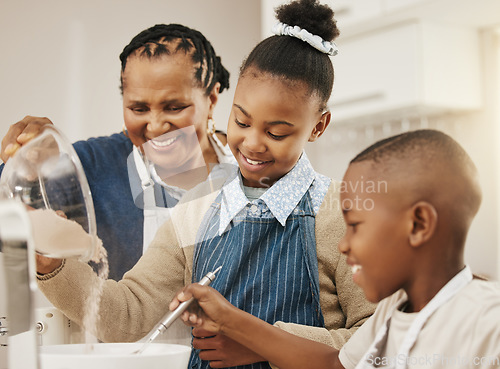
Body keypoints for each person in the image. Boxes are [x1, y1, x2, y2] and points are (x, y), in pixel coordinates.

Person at [35, 0, 375, 367]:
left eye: (276, 132)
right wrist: (53, 266)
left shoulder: (342, 212)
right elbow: (130, 314)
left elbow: (378, 341)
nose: (253, 143)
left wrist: (262, 343)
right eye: (242, 122)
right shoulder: (198, 207)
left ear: (318, 127)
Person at [171, 129, 500, 369]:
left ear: (418, 225)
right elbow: (334, 365)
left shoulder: (488, 323)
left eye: (355, 226)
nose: (343, 244)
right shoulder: (393, 311)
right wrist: (228, 319)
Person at [0, 23, 234, 280]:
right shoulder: (92, 166)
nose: (155, 126)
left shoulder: (248, 165)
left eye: (174, 107)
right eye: (139, 109)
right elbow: (9, 215)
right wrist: (30, 166)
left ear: (211, 100)